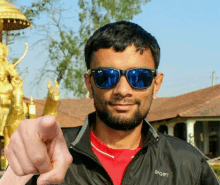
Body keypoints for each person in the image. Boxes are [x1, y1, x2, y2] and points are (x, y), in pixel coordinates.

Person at [0, 21, 219, 185]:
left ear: (156, 83)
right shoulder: (48, 158)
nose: (122, 90)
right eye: (106, 77)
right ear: (89, 83)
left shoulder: (187, 163)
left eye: (139, 77)